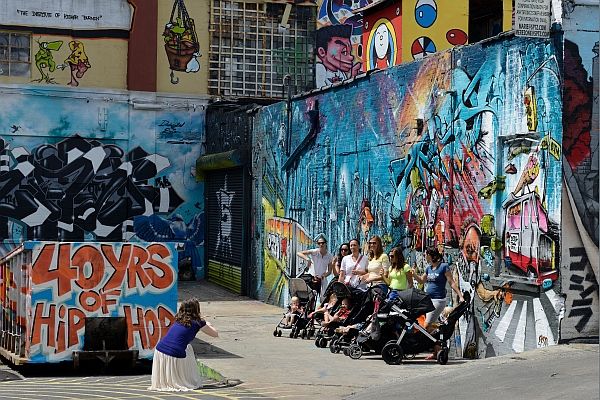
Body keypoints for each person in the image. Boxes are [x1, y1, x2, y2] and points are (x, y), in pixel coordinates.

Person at [149, 298, 219, 391]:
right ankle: (187, 378)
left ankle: (168, 381)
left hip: (159, 351)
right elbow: (215, 334)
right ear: (196, 309)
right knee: (188, 348)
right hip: (174, 354)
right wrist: (208, 323)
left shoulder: (178, 319)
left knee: (188, 347)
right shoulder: (199, 322)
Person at [412, 246, 464, 360]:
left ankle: (438, 342)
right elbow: (421, 280)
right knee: (427, 325)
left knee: (426, 326)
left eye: (426, 254)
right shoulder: (428, 268)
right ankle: (436, 350)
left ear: (431, 255)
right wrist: (413, 274)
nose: (425, 256)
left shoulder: (443, 267)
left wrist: (460, 296)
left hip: (438, 300)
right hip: (428, 301)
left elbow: (451, 282)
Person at [297, 233, 334, 298]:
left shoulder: (329, 256)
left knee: (323, 297)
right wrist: (308, 259)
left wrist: (324, 275)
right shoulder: (314, 252)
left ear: (326, 243)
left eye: (322, 243)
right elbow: (299, 253)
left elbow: (330, 271)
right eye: (319, 243)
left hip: (321, 279)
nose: (321, 244)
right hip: (312, 277)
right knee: (309, 296)